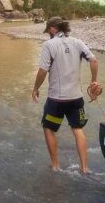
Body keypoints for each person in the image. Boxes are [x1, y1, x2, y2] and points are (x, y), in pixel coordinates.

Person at [31, 16, 99, 174]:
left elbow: (42, 70)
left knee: (48, 128)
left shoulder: (49, 44)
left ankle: (55, 166)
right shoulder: (77, 42)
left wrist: (35, 88)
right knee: (77, 129)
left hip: (57, 100)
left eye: (48, 30)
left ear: (53, 29)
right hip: (76, 99)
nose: (48, 32)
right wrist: (94, 81)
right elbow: (94, 61)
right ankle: (84, 168)